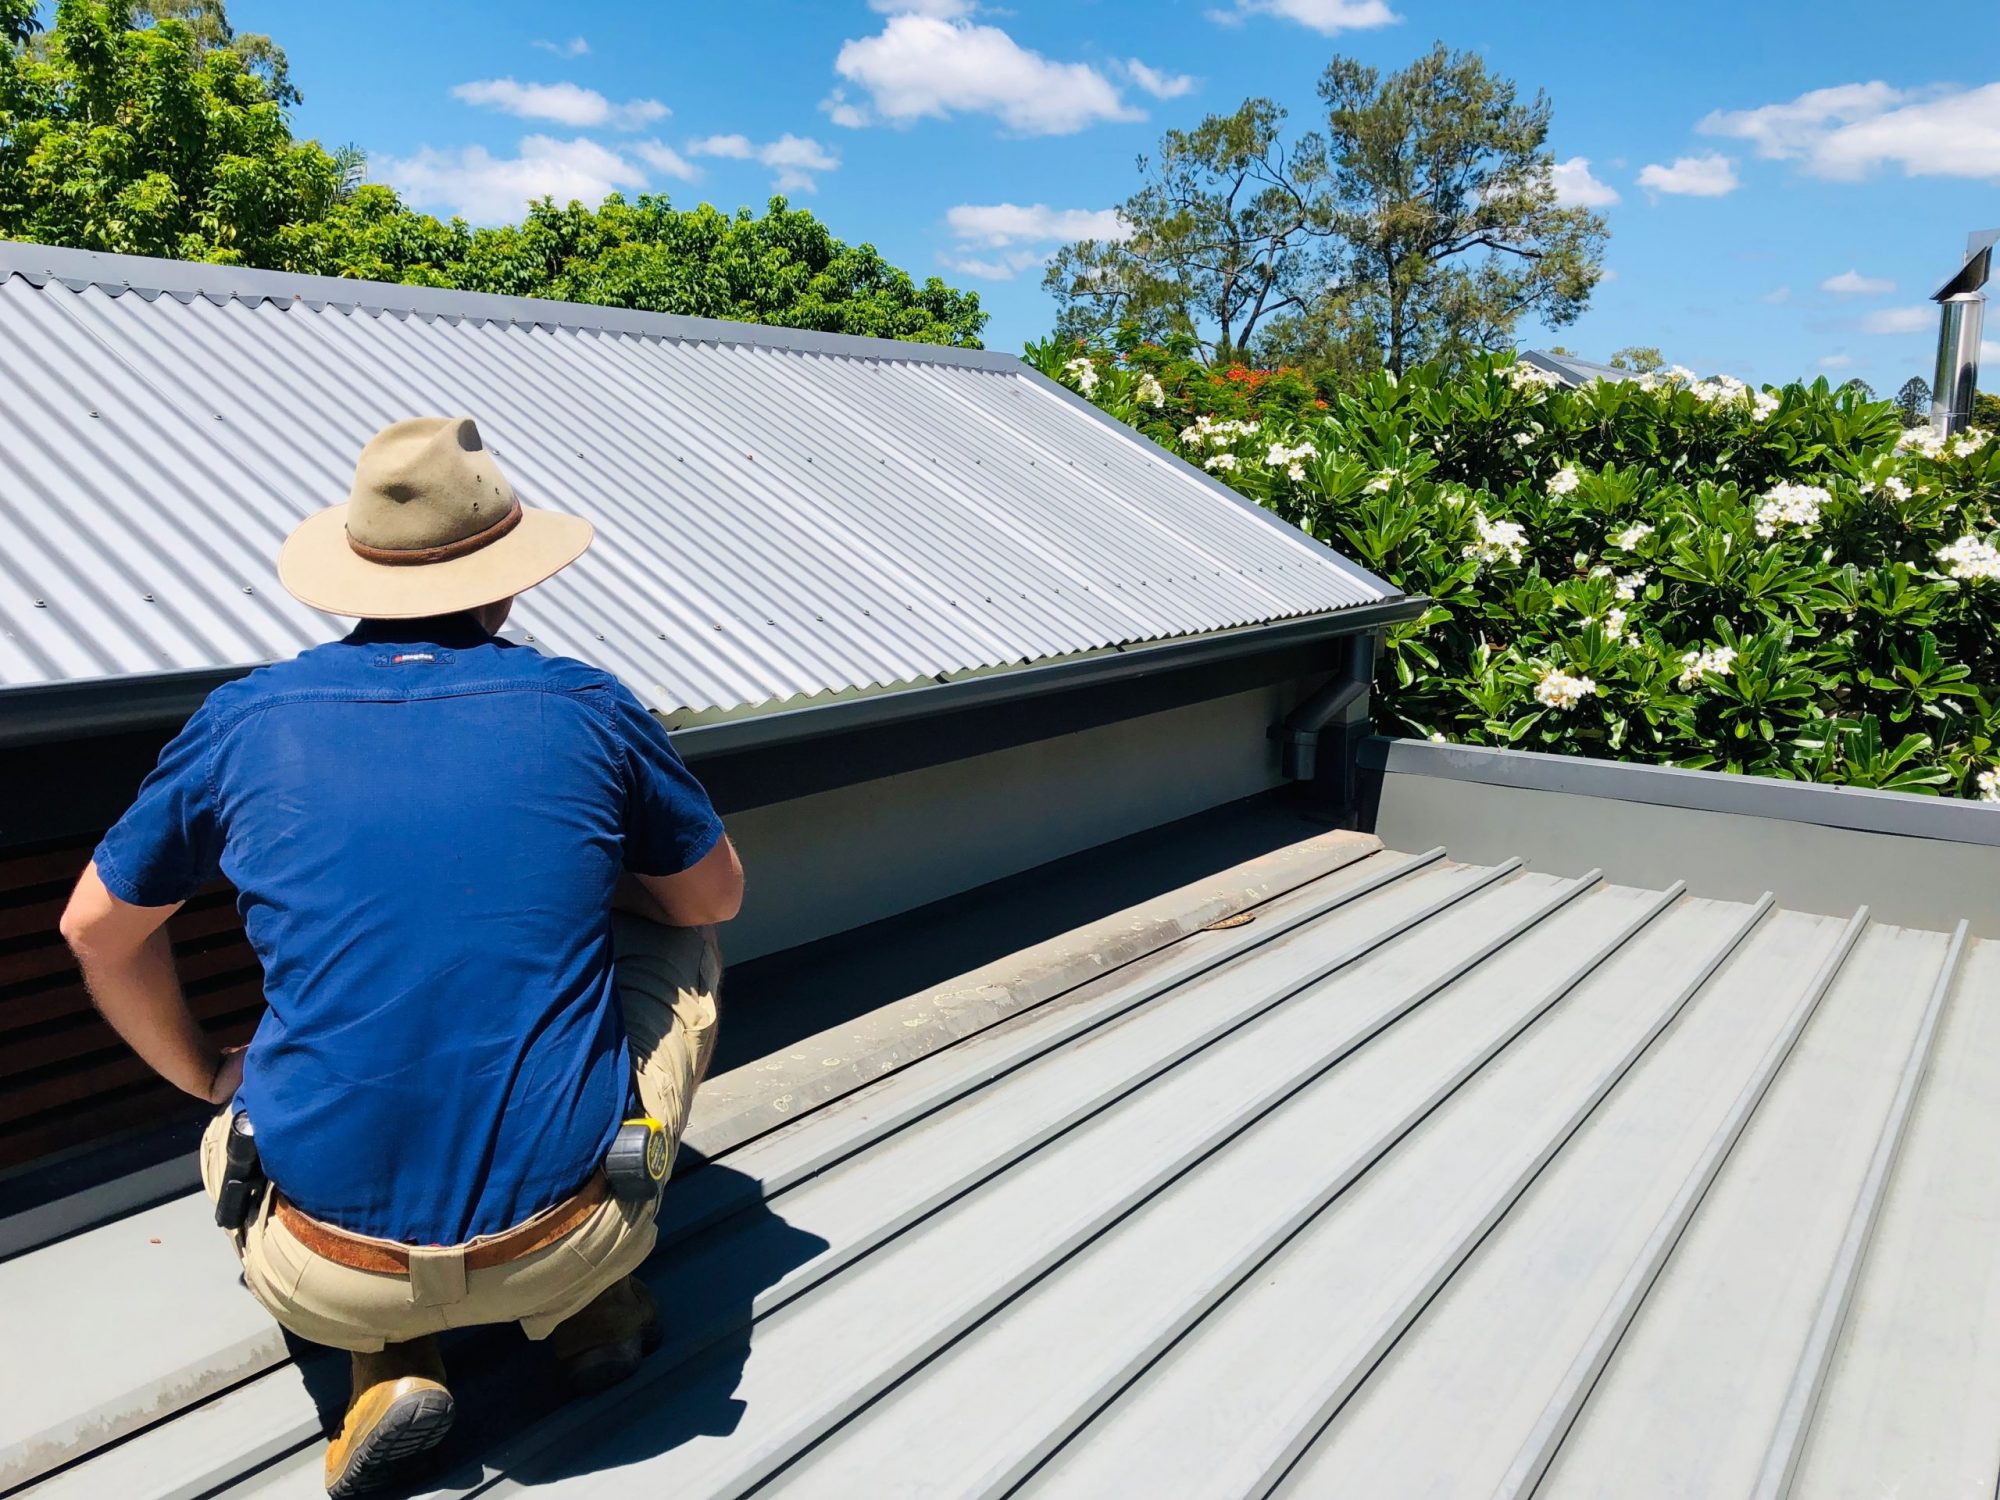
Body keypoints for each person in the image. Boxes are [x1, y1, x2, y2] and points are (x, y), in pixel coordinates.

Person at [59, 416, 743, 1498]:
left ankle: (387, 1355)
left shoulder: (247, 718)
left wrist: (202, 1071)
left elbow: (93, 929)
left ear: (354, 568)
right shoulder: (583, 703)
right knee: (681, 946)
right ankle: (585, 1308)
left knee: (272, 1108)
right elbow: (714, 894)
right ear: (506, 575)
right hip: (570, 1233)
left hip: (325, 1271)